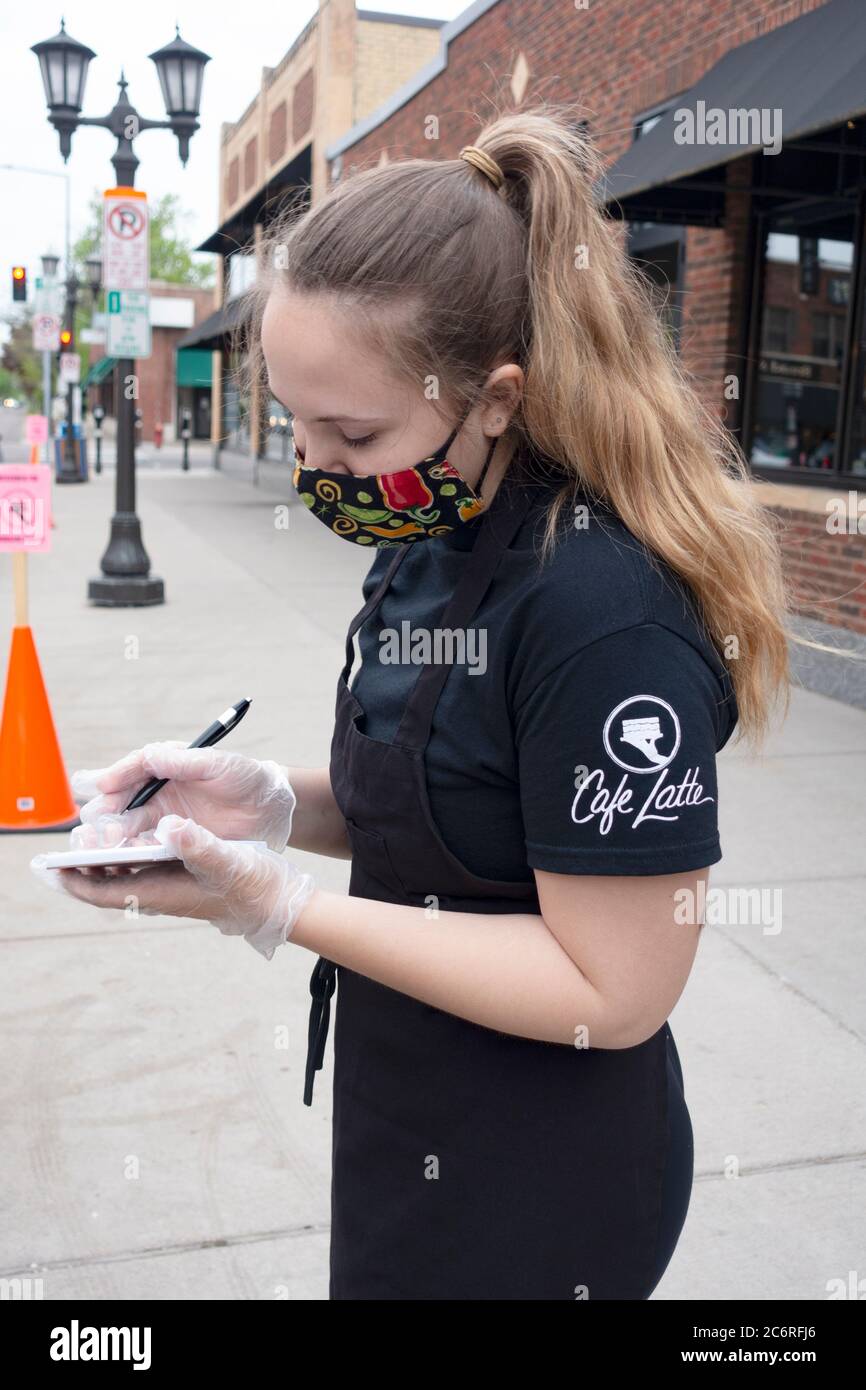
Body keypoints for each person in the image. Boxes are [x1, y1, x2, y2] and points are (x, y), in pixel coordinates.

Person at [33, 106, 792, 1300]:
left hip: (542, 1177)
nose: (318, 470)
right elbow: (460, 786)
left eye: (352, 431)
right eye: (293, 420)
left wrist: (281, 906)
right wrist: (271, 801)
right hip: (405, 1111)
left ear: (494, 398)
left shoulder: (602, 614)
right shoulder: (430, 525)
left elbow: (618, 989)